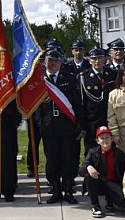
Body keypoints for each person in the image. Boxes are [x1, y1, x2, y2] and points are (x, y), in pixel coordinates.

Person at [36, 49, 83, 204]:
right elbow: (36, 107)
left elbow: (77, 103)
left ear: (61, 63)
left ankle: (68, 191)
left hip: (67, 127)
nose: (53, 63)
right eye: (50, 60)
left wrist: (79, 124)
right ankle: (55, 191)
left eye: (56, 60)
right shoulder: (39, 81)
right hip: (49, 128)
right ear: (45, 62)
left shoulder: (69, 79)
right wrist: (39, 125)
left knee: (68, 160)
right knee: (52, 160)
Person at [79, 126, 125, 218]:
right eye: (102, 138)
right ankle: (96, 206)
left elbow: (124, 172)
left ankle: (110, 201)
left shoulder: (119, 153)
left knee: (122, 204)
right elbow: (81, 171)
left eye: (107, 137)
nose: (105, 140)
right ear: (97, 141)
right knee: (89, 176)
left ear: (112, 138)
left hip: (113, 182)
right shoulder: (92, 152)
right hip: (99, 182)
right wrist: (88, 166)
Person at [80, 47, 109, 156]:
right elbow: (81, 103)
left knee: (108, 148)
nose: (97, 61)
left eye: (100, 58)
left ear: (104, 59)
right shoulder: (84, 77)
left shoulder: (112, 74)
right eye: (94, 58)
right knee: (91, 151)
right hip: (91, 121)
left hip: (108, 118)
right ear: (90, 61)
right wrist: (82, 125)